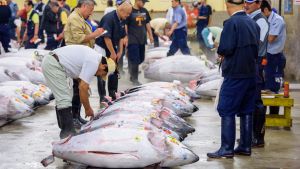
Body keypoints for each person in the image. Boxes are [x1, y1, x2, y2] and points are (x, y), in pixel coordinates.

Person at [207, 0, 260, 158]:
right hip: (251, 73)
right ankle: (245, 145)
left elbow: (225, 48)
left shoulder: (231, 23)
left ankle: (227, 148)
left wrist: (220, 50)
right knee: (246, 109)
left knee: (226, 108)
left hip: (235, 73)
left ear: (227, 6)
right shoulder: (253, 22)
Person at [41, 45, 115, 139]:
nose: (99, 75)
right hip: (54, 64)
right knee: (64, 99)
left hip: (55, 63)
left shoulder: (94, 57)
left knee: (65, 97)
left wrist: (84, 88)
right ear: (103, 66)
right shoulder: (93, 62)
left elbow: (81, 81)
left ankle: (65, 129)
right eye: (102, 74)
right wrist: (88, 109)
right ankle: (67, 132)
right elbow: (82, 88)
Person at [63, 0, 105, 129]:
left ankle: (77, 115)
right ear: (84, 6)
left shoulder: (83, 17)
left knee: (79, 87)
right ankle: (73, 118)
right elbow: (79, 38)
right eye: (91, 9)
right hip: (75, 57)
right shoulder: (75, 18)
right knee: (77, 89)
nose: (92, 12)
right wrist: (95, 34)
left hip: (81, 56)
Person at [95, 0, 132, 103]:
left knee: (114, 71)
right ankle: (102, 97)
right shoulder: (109, 18)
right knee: (103, 71)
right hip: (102, 47)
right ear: (121, 10)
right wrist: (113, 53)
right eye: (128, 13)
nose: (128, 16)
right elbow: (106, 38)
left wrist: (119, 51)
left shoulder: (122, 19)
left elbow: (121, 37)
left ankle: (112, 93)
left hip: (112, 46)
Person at [244, 0, 269, 148]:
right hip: (249, 61)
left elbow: (256, 43)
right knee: (249, 98)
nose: (246, 4)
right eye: (245, 1)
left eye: (250, 2)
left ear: (258, 4)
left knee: (256, 100)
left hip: (257, 62)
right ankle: (248, 136)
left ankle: (258, 137)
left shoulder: (261, 21)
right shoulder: (250, 18)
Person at [261, 0, 286, 115]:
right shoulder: (266, 19)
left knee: (274, 88)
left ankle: (274, 114)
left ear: (266, 10)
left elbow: (270, 39)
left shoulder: (277, 20)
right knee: (265, 87)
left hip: (275, 57)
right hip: (267, 56)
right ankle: (264, 117)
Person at [126, 0, 153, 85]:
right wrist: (125, 36)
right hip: (132, 39)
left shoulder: (144, 10)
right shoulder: (129, 10)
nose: (144, 3)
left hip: (142, 38)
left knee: (141, 58)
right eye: (143, 2)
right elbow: (125, 24)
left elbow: (147, 23)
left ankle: (131, 71)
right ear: (137, 0)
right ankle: (134, 79)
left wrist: (150, 35)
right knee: (135, 59)